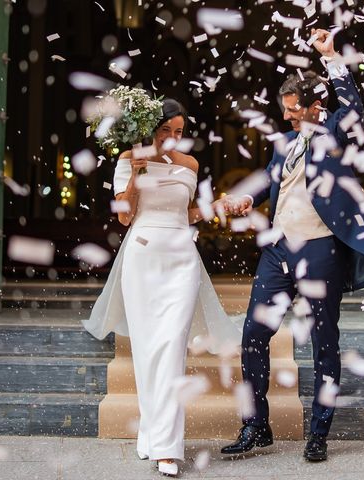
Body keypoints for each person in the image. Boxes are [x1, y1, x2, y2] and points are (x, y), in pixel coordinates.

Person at [220, 29, 364, 461]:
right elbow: (270, 181)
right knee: (254, 334)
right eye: (286, 111)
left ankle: (319, 434)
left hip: (319, 250)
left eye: (295, 110)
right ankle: (256, 424)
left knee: (323, 342)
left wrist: (330, 56)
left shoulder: (334, 129)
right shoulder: (286, 145)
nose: (290, 117)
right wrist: (245, 199)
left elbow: (354, 106)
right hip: (279, 251)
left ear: (316, 105)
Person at [82, 98, 240, 477]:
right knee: (149, 351)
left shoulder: (190, 165)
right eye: (166, 130)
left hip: (182, 260)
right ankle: (152, 432)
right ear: (151, 129)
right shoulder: (126, 159)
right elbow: (124, 215)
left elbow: (186, 213)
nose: (172, 138)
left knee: (171, 348)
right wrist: (137, 172)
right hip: (143, 256)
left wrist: (219, 206)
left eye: (179, 132)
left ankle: (167, 449)